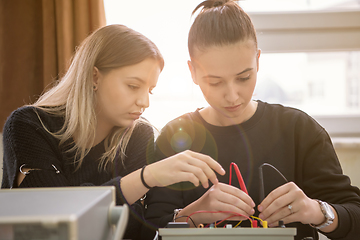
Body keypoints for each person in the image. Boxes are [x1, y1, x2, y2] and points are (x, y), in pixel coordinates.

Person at [143, 1, 360, 240]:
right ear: (192, 71)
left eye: (244, 77)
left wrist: (316, 211)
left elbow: (355, 216)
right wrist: (191, 215)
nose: (232, 95)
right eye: (215, 82)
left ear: (257, 61)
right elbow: (150, 230)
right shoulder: (175, 137)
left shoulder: (299, 130)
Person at [1, 24, 226, 240]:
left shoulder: (138, 135)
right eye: (133, 86)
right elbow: (54, 216)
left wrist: (188, 215)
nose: (145, 101)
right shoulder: (28, 125)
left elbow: (134, 231)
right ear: (94, 77)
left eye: (150, 90)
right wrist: (146, 177)